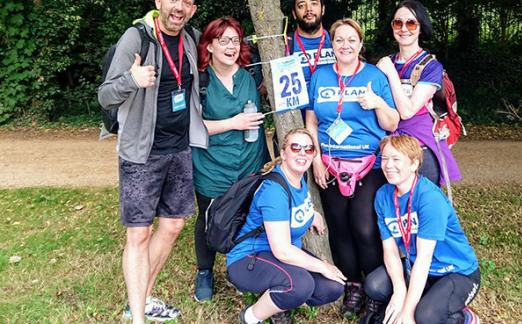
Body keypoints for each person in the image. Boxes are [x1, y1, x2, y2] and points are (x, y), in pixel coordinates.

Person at [97, 0, 206, 322]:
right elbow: (105, 96)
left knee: (173, 225)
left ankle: (141, 300)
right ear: (159, 2)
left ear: (194, 9)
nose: (180, 7)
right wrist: (132, 79)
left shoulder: (192, 38)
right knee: (139, 234)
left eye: (188, 2)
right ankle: (138, 317)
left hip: (179, 148)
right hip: (141, 152)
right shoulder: (136, 38)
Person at [306, 18, 400, 318]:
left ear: (360, 44)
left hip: (368, 164)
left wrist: (377, 103)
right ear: (331, 44)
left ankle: (375, 290)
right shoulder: (320, 76)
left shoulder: (374, 76)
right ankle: (353, 285)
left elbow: (393, 123)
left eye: (351, 40)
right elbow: (311, 120)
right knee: (340, 228)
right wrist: (316, 158)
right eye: (339, 40)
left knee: (364, 226)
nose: (345, 45)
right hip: (330, 163)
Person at [227, 128, 345, 324]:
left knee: (332, 287)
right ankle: (249, 317)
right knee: (301, 285)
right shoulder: (274, 191)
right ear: (283, 153)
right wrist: (322, 266)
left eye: (308, 149)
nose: (302, 153)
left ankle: (277, 300)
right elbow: (282, 251)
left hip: (279, 255)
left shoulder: (300, 176)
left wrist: (312, 214)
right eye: (295, 147)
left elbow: (297, 205)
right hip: (249, 258)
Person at [361, 134, 480, 324]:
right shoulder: (383, 196)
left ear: (414, 164)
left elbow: (424, 258)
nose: (388, 165)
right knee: (374, 286)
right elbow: (390, 250)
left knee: (423, 317)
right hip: (416, 267)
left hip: (455, 272)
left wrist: (408, 313)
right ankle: (421, 298)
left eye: (396, 159)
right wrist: (400, 291)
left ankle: (463, 317)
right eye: (384, 159)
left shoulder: (429, 198)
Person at [191, 16, 270, 302]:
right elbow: (193, 126)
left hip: (249, 160)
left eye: (235, 40)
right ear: (209, 46)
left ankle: (238, 268)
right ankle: (204, 272)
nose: (230, 46)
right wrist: (234, 122)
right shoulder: (200, 80)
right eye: (222, 40)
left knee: (245, 216)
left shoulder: (251, 75)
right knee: (209, 218)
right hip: (212, 164)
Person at [376, 0, 461, 186]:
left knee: (423, 204)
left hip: (420, 145)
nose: (404, 28)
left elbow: (408, 111)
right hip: (389, 144)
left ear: (421, 27)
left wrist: (390, 73)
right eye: (398, 23)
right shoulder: (387, 62)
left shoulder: (431, 66)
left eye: (411, 23)